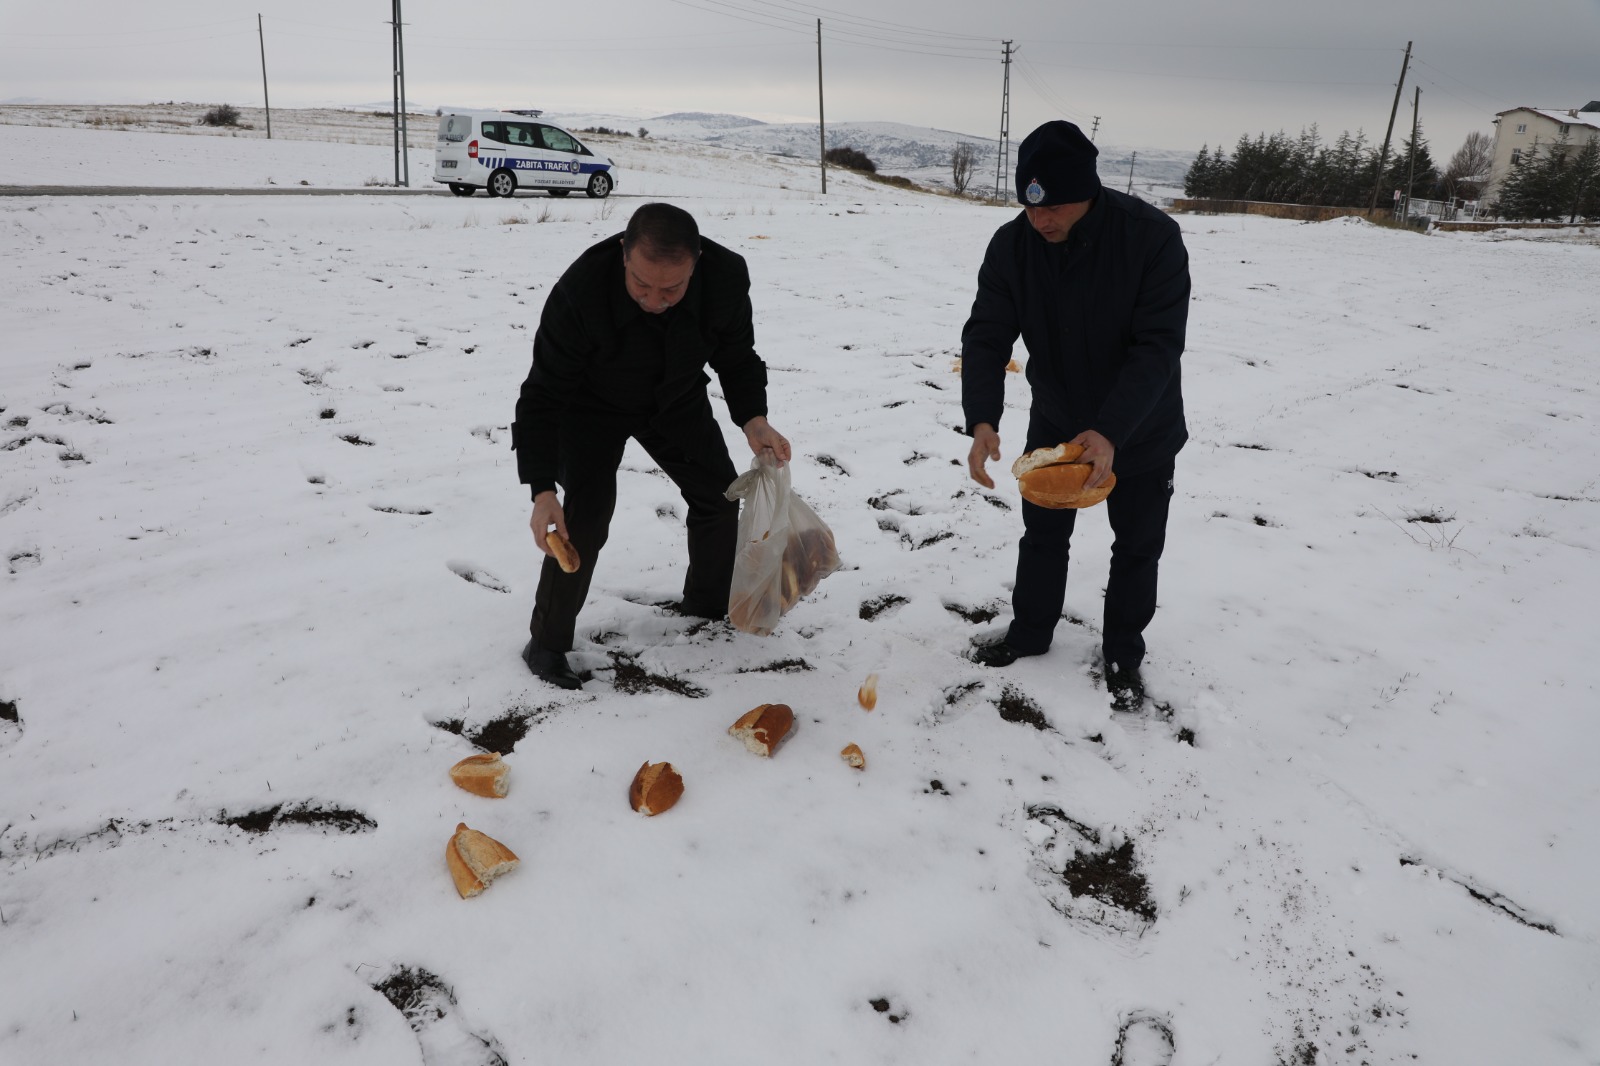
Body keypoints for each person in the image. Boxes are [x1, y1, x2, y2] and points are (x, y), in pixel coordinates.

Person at [512, 203, 791, 689]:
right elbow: (542, 394)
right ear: (624, 252)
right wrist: (541, 489)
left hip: (674, 397)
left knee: (719, 496)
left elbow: (737, 356)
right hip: (591, 404)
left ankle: (705, 607)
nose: (654, 301)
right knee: (585, 518)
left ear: (696, 263)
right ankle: (547, 643)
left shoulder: (725, 277)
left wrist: (754, 418)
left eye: (671, 289)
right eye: (641, 285)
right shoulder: (580, 291)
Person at [960, 120, 1190, 711]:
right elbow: (987, 336)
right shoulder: (1013, 245)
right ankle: (1030, 632)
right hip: (1057, 418)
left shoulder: (1151, 238)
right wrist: (982, 418)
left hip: (1139, 426)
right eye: (1030, 206)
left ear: (1088, 191)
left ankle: (1122, 654)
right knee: (1042, 535)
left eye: (1054, 206)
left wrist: (1111, 430)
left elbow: (1158, 347)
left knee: (1137, 545)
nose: (1040, 220)